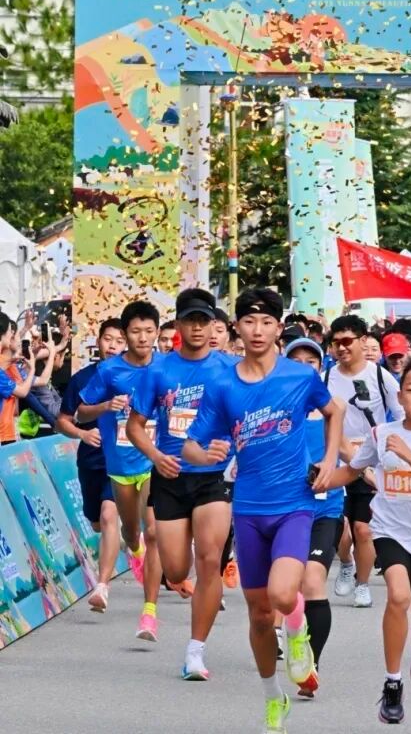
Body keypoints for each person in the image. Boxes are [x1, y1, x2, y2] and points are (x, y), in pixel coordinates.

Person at [182, 288, 343, 733]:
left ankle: (298, 633)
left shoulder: (300, 377)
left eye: (267, 322)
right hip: (248, 509)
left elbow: (334, 412)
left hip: (294, 505)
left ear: (277, 328)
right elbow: (191, 444)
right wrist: (203, 454)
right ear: (236, 327)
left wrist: (330, 460)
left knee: (281, 595)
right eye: (249, 322)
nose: (257, 330)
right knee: (257, 614)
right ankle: (274, 697)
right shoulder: (223, 385)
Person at [333, 356, 411, 724]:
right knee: (398, 596)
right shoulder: (380, 434)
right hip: (389, 530)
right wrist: (319, 480)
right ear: (399, 396)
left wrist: (410, 457)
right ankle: (393, 684)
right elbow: (352, 470)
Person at [127, 288, 236, 680]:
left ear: (214, 325)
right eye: (190, 320)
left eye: (204, 321)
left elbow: (247, 417)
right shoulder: (158, 371)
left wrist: (233, 448)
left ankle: (195, 652)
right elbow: (134, 427)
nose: (197, 328)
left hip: (214, 478)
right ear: (178, 325)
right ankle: (178, 578)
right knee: (175, 570)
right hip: (170, 477)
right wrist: (156, 456)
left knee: (209, 560)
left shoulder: (230, 369)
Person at [77, 301, 164, 642]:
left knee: (153, 531)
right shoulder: (109, 371)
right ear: (126, 334)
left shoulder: (167, 367)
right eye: (135, 332)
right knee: (132, 533)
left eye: (148, 331)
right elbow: (80, 413)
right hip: (119, 466)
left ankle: (149, 614)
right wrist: (105, 406)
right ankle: (135, 551)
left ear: (157, 332)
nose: (142, 338)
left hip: (154, 462)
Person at [325, 314, 405, 610]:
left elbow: (401, 416)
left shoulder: (381, 377)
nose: (342, 348)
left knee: (363, 529)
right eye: (336, 343)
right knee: (341, 530)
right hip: (337, 461)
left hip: (372, 463)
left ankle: (362, 583)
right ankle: (346, 562)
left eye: (347, 341)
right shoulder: (325, 377)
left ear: (362, 341)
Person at [284, 336, 346, 699]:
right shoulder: (273, 406)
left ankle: (312, 666)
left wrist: (369, 472)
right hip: (284, 510)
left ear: (321, 368)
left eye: (312, 361)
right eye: (297, 360)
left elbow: (350, 452)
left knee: (312, 581)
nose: (305, 366)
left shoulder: (332, 409)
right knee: (284, 588)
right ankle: (290, 633)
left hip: (325, 510)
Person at [56, 318, 126, 612]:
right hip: (90, 461)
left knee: (109, 515)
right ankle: (122, 536)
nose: (113, 346)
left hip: (121, 462)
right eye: (108, 339)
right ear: (98, 341)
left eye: (119, 341)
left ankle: (102, 586)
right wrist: (83, 434)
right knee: (97, 521)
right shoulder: (82, 379)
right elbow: (62, 421)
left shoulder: (135, 377)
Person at [0, 313, 37, 444]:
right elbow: (22, 392)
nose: (12, 334)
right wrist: (32, 369)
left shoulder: (8, 363)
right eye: (10, 331)